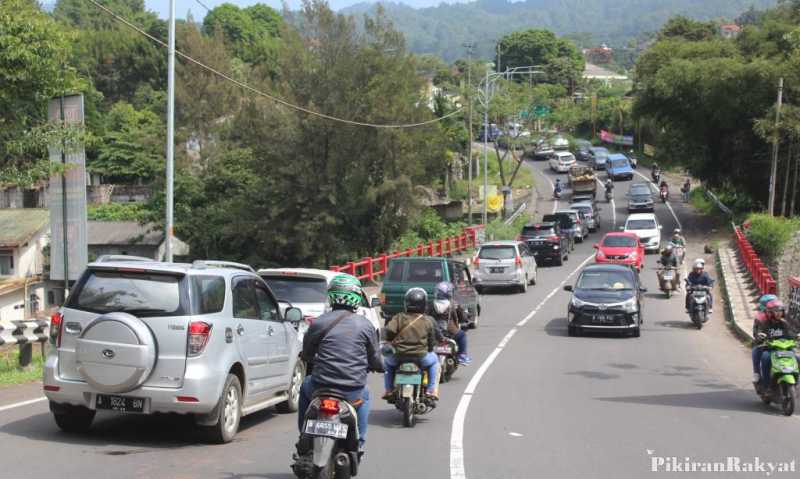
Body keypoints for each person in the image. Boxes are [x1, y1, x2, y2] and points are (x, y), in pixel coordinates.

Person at [296, 274, 383, 452]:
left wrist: (310, 358)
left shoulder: (318, 322)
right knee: (364, 395)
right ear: (357, 297)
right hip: (351, 390)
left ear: (331, 296)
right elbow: (374, 358)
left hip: (319, 386)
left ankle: (303, 434)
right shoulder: (365, 325)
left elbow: (307, 353)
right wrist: (379, 366)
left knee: (305, 385)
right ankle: (358, 444)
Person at [382, 288, 441, 401]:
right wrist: (429, 348)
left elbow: (388, 331)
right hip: (421, 357)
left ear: (406, 303)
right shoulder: (427, 321)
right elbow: (431, 341)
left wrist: (389, 341)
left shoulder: (399, 317)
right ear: (424, 304)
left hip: (399, 356)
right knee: (435, 363)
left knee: (388, 364)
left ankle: (389, 390)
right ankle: (431, 390)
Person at [752, 299, 798, 391]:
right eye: (776, 311)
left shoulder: (784, 324)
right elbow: (759, 333)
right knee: (765, 358)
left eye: (780, 311)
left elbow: (791, 334)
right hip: (770, 349)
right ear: (770, 312)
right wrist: (761, 337)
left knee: (797, 358)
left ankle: (797, 383)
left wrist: (796, 336)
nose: (778, 313)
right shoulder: (765, 324)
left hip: (784, 349)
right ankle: (766, 385)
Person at [432, 281, 471, 365]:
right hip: (449, 331)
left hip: (434, 332)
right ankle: (462, 356)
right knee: (462, 335)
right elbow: (462, 317)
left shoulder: (432, 304)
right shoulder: (452, 304)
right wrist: (466, 317)